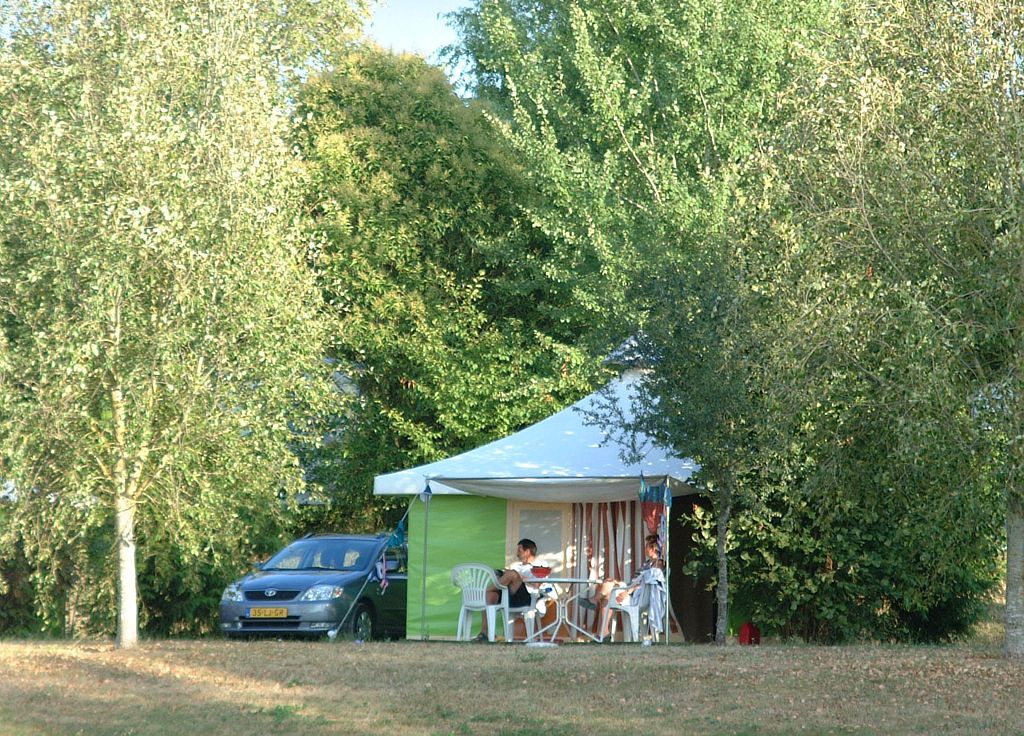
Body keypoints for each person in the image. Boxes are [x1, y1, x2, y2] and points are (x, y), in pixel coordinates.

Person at [590, 534, 664, 639]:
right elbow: (637, 581)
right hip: (632, 590)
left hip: (638, 597)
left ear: (652, 549)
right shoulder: (648, 563)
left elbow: (646, 583)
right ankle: (604, 631)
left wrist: (628, 591)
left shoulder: (657, 565)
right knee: (609, 584)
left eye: (647, 546)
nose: (645, 548)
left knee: (608, 589)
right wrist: (621, 584)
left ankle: (594, 603)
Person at [474, 538, 540, 642]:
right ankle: (485, 633)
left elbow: (539, 584)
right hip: (508, 595)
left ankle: (484, 590)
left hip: (525, 596)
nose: (517, 553)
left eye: (519, 550)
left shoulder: (540, 565)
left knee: (512, 574)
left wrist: (519, 576)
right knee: (490, 595)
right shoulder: (516, 565)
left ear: (527, 552)